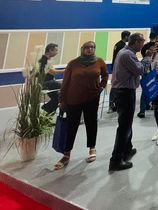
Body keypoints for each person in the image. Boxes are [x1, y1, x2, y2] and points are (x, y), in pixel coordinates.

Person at [54, 41, 108, 170]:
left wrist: (101, 87)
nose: (89, 49)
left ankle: (92, 148)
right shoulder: (73, 63)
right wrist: (62, 100)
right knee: (71, 126)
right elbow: (65, 82)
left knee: (91, 123)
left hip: (92, 98)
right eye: (87, 47)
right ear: (82, 49)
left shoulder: (99, 62)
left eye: (92, 47)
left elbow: (105, 75)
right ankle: (66, 154)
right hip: (73, 99)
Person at [109, 33, 150, 171]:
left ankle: (127, 149)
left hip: (123, 91)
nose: (143, 45)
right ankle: (116, 160)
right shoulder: (127, 55)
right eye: (142, 42)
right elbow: (140, 70)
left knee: (127, 124)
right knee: (124, 126)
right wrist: (147, 58)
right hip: (125, 92)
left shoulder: (125, 52)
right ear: (136, 42)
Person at [108, 31, 130, 113]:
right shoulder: (122, 46)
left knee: (115, 86)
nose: (129, 38)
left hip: (116, 68)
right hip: (119, 70)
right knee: (116, 87)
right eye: (129, 36)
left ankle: (114, 105)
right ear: (126, 36)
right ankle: (112, 105)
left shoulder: (117, 44)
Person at [137, 32, 158, 117]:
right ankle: (150, 106)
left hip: (148, 73)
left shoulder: (145, 47)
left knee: (146, 90)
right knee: (153, 89)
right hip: (151, 73)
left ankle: (144, 108)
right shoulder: (157, 48)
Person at [38, 43, 61, 114]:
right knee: (64, 87)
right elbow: (54, 72)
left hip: (49, 82)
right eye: (56, 50)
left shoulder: (47, 59)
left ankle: (48, 109)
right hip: (46, 83)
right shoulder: (44, 60)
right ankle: (47, 108)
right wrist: (67, 70)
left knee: (58, 97)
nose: (57, 52)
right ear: (50, 50)